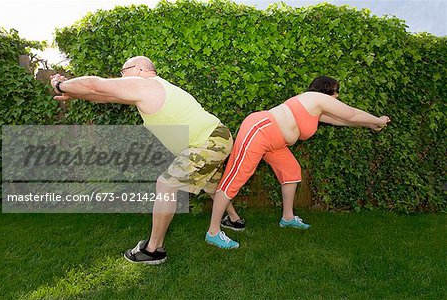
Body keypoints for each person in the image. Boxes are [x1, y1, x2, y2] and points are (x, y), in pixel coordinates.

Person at [50, 56, 242, 264]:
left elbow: (95, 85)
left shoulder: (146, 85)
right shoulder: (151, 88)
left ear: (140, 69)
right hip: (215, 137)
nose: (121, 76)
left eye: (123, 71)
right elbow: (102, 96)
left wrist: (60, 85)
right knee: (211, 184)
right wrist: (72, 93)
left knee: (166, 185)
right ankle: (234, 219)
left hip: (208, 141)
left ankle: (154, 250)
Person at [205, 76, 391, 249]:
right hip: (260, 130)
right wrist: (378, 119)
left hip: (275, 141)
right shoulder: (316, 98)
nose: (338, 96)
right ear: (326, 90)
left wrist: (369, 124)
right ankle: (213, 232)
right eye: (336, 91)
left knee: (291, 170)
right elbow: (350, 113)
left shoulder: (316, 108)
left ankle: (287, 217)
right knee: (235, 178)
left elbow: (343, 120)